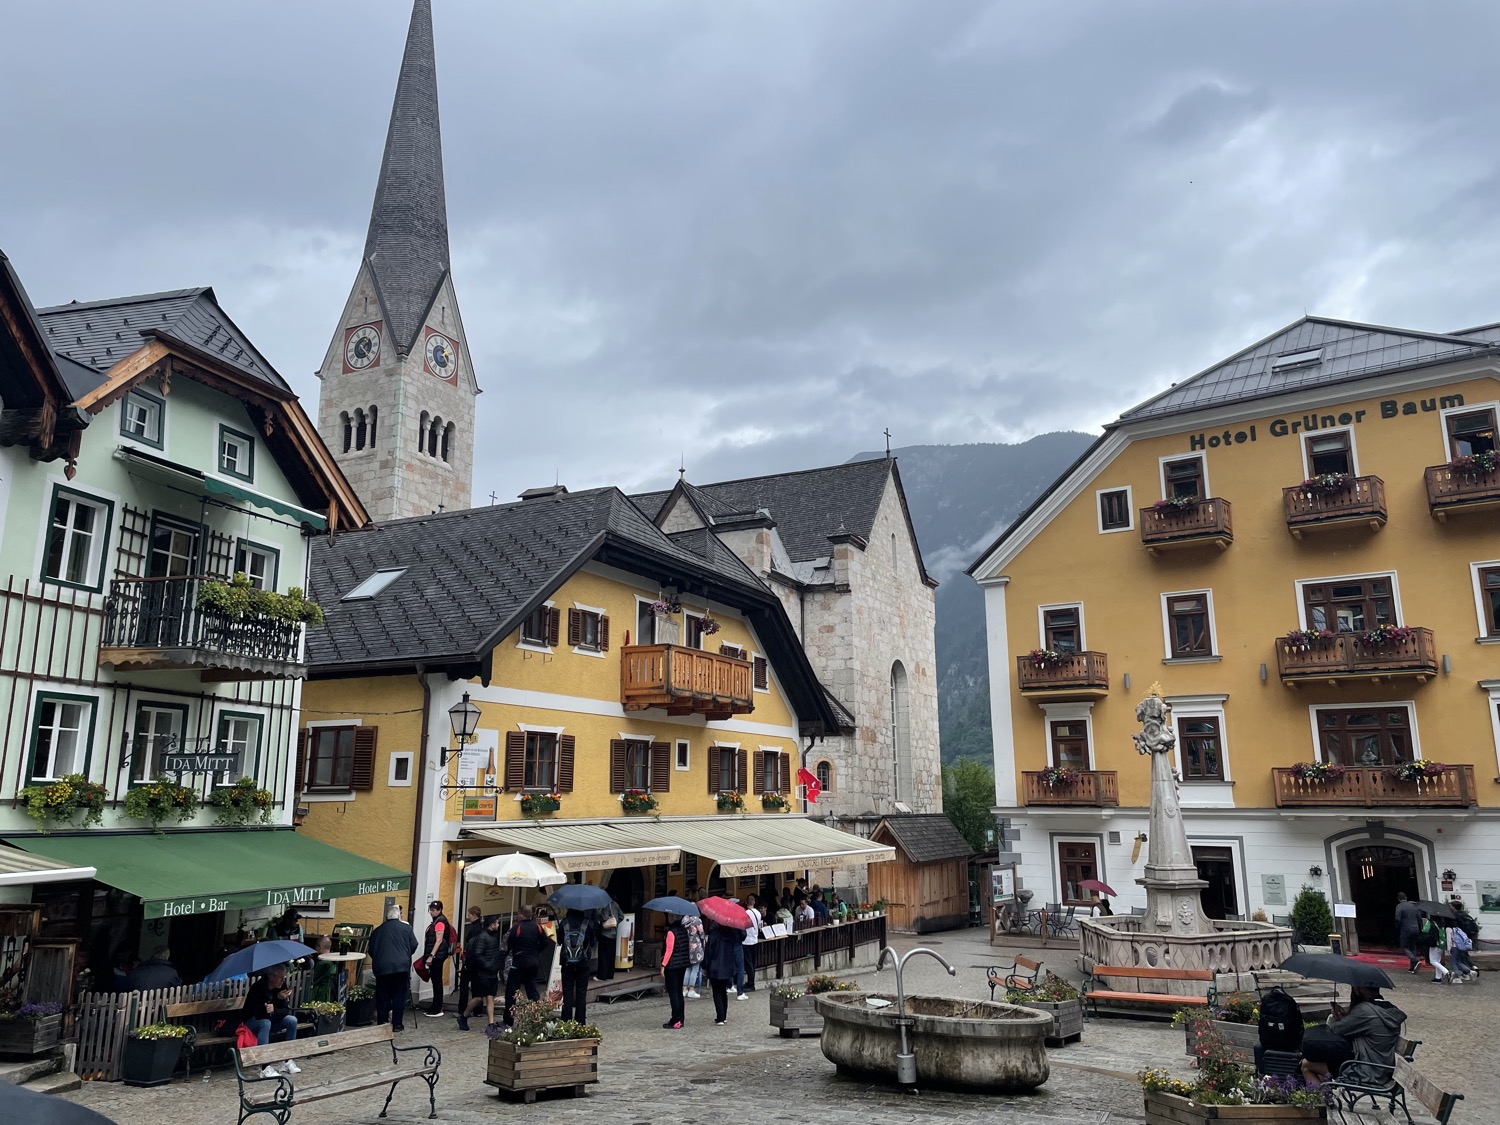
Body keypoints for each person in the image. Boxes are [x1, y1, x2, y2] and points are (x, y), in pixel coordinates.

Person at [1299, 985, 1405, 1086]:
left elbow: (1336, 1029)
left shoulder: (1365, 1010)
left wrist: (1335, 1016)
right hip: (1384, 1071)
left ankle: (1323, 1097)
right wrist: (1347, 1018)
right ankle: (1325, 1093)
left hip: (1366, 1072)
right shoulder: (1390, 1010)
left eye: (1354, 988)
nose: (1354, 991)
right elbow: (1366, 1026)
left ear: (1362, 988)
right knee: (1324, 1060)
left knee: (1306, 1065)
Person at [369, 902, 419, 1032]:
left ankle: (382, 1023)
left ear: (387, 916)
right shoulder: (406, 928)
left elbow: (371, 950)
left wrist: (380, 958)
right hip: (401, 967)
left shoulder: (377, 931)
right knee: (399, 996)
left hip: (382, 968)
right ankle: (397, 1024)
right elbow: (414, 945)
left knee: (383, 996)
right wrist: (405, 954)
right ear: (398, 916)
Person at [242, 964, 300, 1076]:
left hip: (272, 1021)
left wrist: (277, 1002)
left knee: (292, 1020)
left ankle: (287, 1061)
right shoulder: (258, 988)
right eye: (280, 977)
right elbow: (256, 1013)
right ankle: (265, 1067)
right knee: (265, 1023)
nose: (283, 980)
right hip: (253, 1022)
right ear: (271, 977)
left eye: (284, 977)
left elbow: (286, 1010)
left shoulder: (282, 986)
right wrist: (273, 1002)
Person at [503, 906, 548, 1027]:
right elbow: (545, 942)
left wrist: (513, 953)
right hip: (533, 962)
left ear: (521, 915)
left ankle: (508, 1020)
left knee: (511, 991)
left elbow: (509, 944)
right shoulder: (537, 927)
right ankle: (537, 1017)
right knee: (532, 990)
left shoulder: (517, 927)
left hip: (519, 962)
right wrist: (535, 952)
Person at [458, 915, 503, 1030]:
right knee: (478, 998)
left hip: (491, 972)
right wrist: (488, 965)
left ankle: (491, 1024)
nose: (498, 925)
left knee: (490, 997)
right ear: (492, 925)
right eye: (497, 923)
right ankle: (464, 1016)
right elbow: (478, 954)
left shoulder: (493, 936)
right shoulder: (483, 937)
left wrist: (495, 966)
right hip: (482, 973)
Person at [557, 908, 598, 1024]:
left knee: (567, 990)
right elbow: (593, 942)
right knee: (581, 991)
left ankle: (566, 1020)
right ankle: (580, 1021)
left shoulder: (564, 922)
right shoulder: (588, 923)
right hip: (583, 962)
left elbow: (559, 941)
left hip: (566, 962)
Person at [704, 919, 742, 1025]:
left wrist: (705, 965)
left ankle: (720, 1017)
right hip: (727, 966)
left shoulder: (714, 935)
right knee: (723, 991)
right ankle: (724, 1016)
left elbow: (709, 952)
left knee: (717, 992)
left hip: (715, 966)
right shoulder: (730, 934)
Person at [422, 900, 455, 1015]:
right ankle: (435, 1006)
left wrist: (431, 955)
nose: (431, 912)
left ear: (439, 910)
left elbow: (438, 940)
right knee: (436, 981)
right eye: (430, 910)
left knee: (437, 982)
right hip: (438, 955)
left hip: (437, 956)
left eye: (433, 910)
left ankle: (437, 1008)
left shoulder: (440, 922)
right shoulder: (437, 920)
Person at [660, 912, 690, 1030]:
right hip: (682, 964)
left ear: (672, 917)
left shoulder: (671, 932)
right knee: (678, 992)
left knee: (673, 993)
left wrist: (663, 965)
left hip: (672, 966)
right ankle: (680, 1018)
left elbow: (669, 950)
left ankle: (675, 1018)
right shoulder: (683, 930)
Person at [456, 905, 483, 1020]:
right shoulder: (481, 927)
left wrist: (466, 961)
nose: (468, 916)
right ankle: (478, 1010)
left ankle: (462, 1009)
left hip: (470, 959)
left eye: (469, 914)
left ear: (474, 915)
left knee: (464, 985)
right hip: (477, 961)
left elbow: (470, 945)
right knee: (477, 987)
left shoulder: (472, 929)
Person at [1394, 892, 1423, 974]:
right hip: (1416, 928)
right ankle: (1412, 967)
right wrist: (1420, 928)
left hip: (1405, 929)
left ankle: (1414, 960)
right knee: (1413, 946)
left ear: (1398, 899)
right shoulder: (1414, 906)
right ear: (1406, 897)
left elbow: (1397, 918)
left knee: (1404, 946)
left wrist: (1398, 927)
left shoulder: (1399, 906)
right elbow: (1419, 918)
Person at [596, 897, 622, 981]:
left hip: (605, 933)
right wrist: (615, 922)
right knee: (611, 955)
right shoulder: (615, 904)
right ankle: (610, 974)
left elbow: (604, 917)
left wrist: (598, 916)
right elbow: (621, 916)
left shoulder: (605, 905)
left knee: (603, 955)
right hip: (614, 934)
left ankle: (602, 975)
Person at [739, 895, 761, 996]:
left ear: (746, 902)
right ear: (754, 902)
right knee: (752, 962)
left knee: (748, 963)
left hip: (747, 940)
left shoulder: (745, 913)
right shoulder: (758, 913)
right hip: (755, 939)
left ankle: (751, 983)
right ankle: (751, 981)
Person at [309, 934, 339, 1002]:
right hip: (331, 993)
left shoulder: (322, 964)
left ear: (320, 947)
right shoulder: (334, 961)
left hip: (319, 994)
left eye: (316, 947)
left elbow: (312, 980)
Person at [683, 910, 705, 1000]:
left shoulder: (685, 919)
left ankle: (684, 989)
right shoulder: (697, 920)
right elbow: (702, 934)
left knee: (688, 968)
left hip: (687, 946)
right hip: (695, 946)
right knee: (695, 969)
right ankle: (691, 989)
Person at [1422, 912, 1449, 982]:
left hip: (1434, 943)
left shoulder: (1430, 922)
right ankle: (1438, 977)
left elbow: (1425, 930)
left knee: (1433, 961)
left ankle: (1446, 972)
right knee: (1437, 961)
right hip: (1442, 944)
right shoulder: (1442, 924)